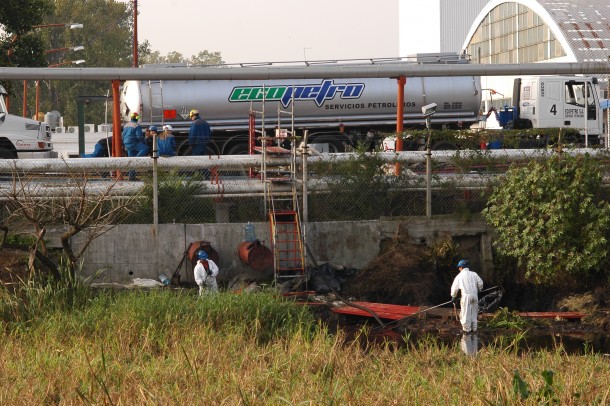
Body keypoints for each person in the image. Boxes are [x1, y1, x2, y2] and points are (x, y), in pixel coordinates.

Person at [450, 259, 483, 333]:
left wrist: (453, 296)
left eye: (459, 267)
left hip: (466, 297)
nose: (459, 269)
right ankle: (474, 330)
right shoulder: (474, 274)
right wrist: (479, 289)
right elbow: (480, 283)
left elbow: (454, 287)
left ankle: (466, 332)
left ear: (461, 267)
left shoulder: (459, 276)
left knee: (465, 314)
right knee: (474, 314)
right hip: (475, 296)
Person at [122, 112, 148, 180]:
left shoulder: (126, 125)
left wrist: (124, 143)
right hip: (133, 143)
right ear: (137, 118)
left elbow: (123, 135)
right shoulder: (136, 125)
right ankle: (136, 160)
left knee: (131, 159)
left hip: (127, 144)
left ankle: (131, 177)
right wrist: (144, 142)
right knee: (145, 148)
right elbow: (139, 136)